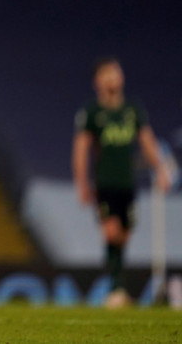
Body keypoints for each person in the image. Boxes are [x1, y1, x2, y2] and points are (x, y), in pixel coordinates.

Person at [72, 56, 171, 308]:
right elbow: (81, 149)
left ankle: (118, 286)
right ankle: (115, 289)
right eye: (107, 74)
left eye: (115, 73)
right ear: (98, 81)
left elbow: (146, 140)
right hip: (104, 183)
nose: (113, 78)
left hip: (128, 183)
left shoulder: (132, 110)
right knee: (111, 231)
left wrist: (160, 168)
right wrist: (81, 183)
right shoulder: (93, 113)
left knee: (124, 235)